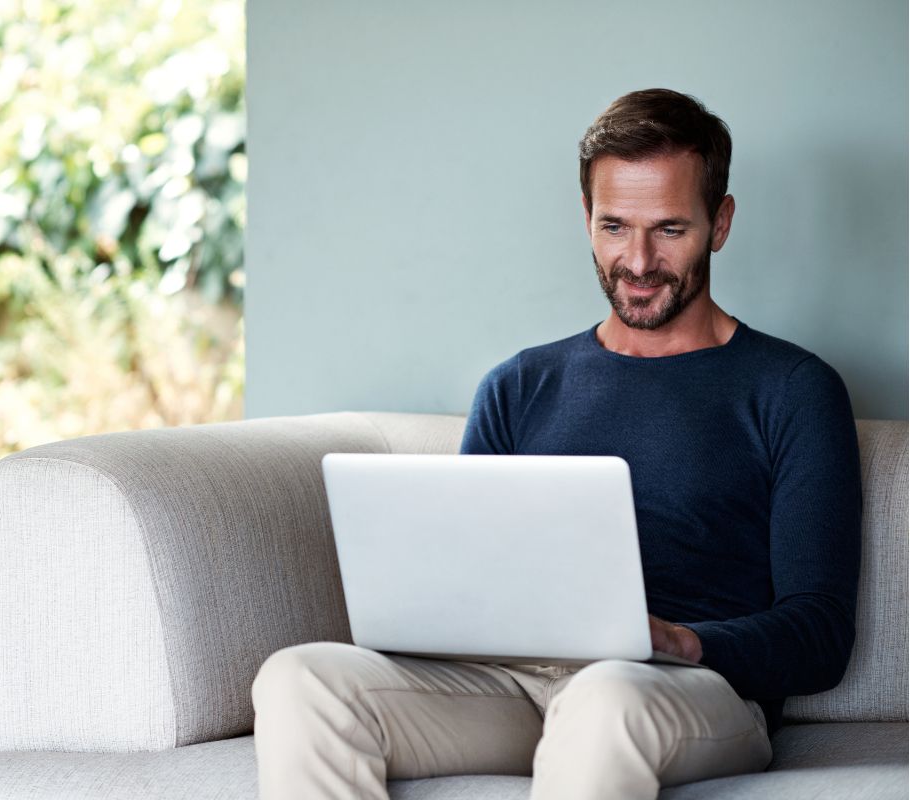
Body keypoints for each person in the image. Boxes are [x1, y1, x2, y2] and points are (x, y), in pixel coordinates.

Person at [250, 88, 862, 800]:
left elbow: (820, 633)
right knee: (299, 680)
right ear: (585, 219)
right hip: (513, 689)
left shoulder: (792, 389)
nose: (637, 261)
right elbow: (460, 577)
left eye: (669, 229)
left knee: (603, 696)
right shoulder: (519, 385)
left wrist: (684, 640)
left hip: (686, 691)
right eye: (614, 227)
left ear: (719, 222)